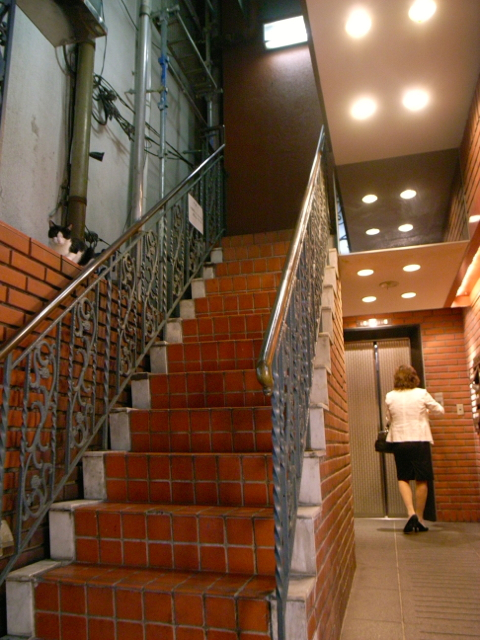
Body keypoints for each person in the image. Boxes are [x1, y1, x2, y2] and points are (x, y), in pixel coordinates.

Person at [385, 364, 444, 533]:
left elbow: (389, 419)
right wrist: (426, 412)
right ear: (414, 378)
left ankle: (410, 513)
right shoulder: (421, 393)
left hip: (399, 441)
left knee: (403, 477)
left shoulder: (390, 396)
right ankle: (420, 518)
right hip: (419, 439)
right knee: (422, 479)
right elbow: (440, 410)